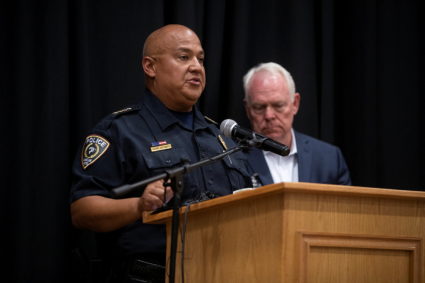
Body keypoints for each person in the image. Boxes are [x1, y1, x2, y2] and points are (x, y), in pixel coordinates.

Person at [70, 24, 253, 283]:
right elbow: (82, 210)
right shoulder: (120, 131)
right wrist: (139, 205)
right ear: (150, 67)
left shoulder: (219, 136)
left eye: (200, 59)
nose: (196, 67)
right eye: (183, 57)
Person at [242, 62, 351, 186]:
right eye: (259, 107)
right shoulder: (233, 160)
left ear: (295, 104)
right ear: (247, 109)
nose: (269, 116)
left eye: (278, 105)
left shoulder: (329, 158)